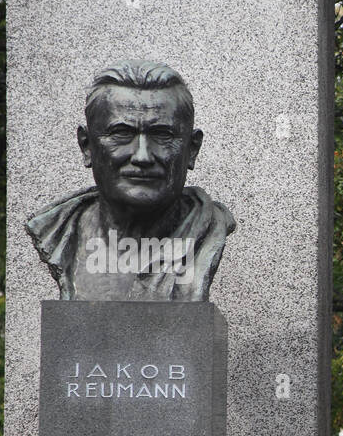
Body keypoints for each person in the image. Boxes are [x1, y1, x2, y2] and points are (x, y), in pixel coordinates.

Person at [25, 60, 235, 301]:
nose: (142, 156)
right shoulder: (59, 233)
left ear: (192, 149)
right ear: (87, 146)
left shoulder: (210, 229)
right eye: (122, 133)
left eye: (162, 134)